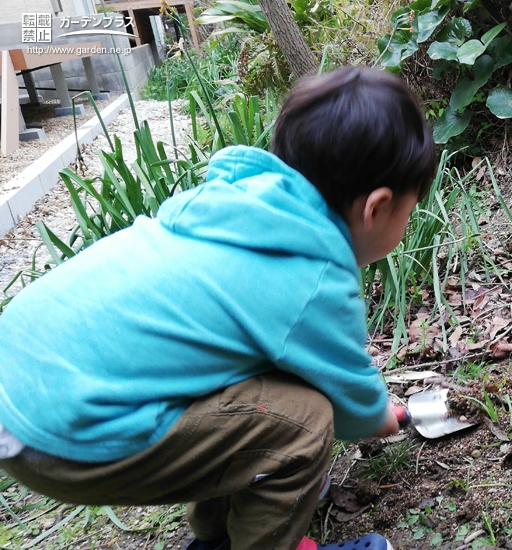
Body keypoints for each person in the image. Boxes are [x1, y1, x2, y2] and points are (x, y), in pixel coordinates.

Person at [0, 66, 436, 550]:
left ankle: (220, 537)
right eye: (409, 210)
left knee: (268, 395)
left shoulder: (232, 208)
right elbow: (352, 405)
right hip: (63, 432)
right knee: (305, 422)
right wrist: (384, 417)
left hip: (21, 385)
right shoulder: (312, 275)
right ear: (376, 207)